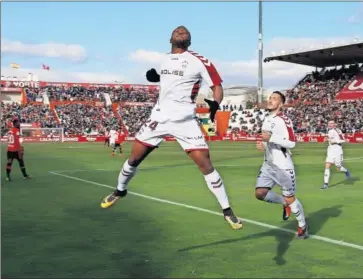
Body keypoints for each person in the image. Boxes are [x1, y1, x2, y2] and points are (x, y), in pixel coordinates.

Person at [100, 25, 242, 230]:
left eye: (185, 32)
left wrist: (215, 104)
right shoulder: (165, 59)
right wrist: (156, 78)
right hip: (159, 118)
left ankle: (227, 210)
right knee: (134, 159)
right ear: (170, 38)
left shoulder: (200, 61)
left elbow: (217, 86)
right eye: (178, 31)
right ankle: (120, 190)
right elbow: (171, 81)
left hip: (185, 121)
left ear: (190, 40)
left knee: (205, 164)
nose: (182, 32)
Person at [255, 91, 308, 239]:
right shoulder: (266, 119)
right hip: (268, 165)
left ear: (281, 103)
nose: (270, 100)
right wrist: (262, 145)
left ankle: (302, 225)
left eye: (274, 98)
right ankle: (284, 203)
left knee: (290, 197)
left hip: (282, 166)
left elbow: (292, 142)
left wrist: (271, 138)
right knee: (260, 193)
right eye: (270, 98)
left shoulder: (284, 119)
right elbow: (266, 141)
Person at [322, 120, 351, 189]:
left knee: (339, 168)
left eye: (332, 123)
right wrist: (327, 138)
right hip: (331, 150)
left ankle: (346, 171)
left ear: (334, 124)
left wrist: (329, 140)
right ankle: (325, 184)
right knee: (327, 165)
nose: (330, 124)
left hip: (337, 150)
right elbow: (331, 139)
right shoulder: (330, 130)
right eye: (329, 123)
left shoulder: (337, 130)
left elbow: (339, 139)